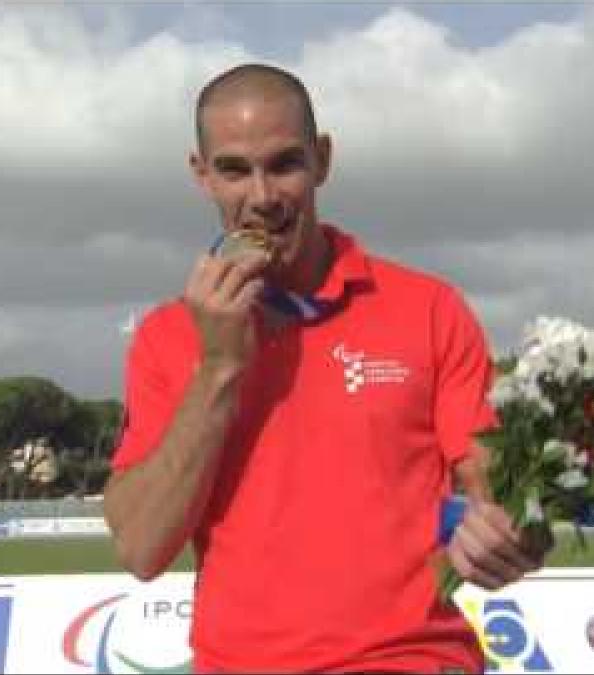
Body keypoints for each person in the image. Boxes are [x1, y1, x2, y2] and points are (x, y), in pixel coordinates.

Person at [104, 63, 548, 673]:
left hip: (410, 661)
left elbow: (493, 486)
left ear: (323, 160)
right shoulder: (166, 336)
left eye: (284, 163)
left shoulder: (428, 308)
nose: (261, 197)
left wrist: (512, 531)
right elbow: (140, 547)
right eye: (234, 169)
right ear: (201, 176)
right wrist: (219, 368)